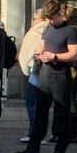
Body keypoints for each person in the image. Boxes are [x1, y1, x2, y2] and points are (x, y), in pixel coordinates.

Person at [15, 0, 77, 153]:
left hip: (61, 76)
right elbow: (42, 45)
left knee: (61, 113)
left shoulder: (71, 30)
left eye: (52, 17)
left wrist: (55, 56)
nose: (50, 21)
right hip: (45, 74)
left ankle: (60, 150)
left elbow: (74, 54)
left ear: (59, 14)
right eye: (47, 18)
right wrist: (40, 53)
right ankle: (33, 149)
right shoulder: (48, 28)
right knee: (40, 113)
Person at [18, 9, 50, 144]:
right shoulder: (52, 30)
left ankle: (34, 134)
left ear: (39, 19)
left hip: (36, 69)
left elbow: (25, 54)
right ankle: (41, 134)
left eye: (34, 19)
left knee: (32, 102)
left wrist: (25, 69)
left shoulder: (33, 32)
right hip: (50, 70)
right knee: (43, 104)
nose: (33, 21)